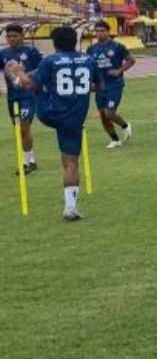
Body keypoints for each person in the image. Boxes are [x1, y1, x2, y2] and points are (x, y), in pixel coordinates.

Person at [5, 26, 102, 220]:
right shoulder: (89, 60)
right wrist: (79, 87)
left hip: (49, 112)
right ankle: (70, 207)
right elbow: (98, 85)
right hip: (74, 117)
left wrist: (18, 72)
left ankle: (16, 77)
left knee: (35, 84)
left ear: (55, 44)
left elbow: (30, 84)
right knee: (71, 163)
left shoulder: (51, 60)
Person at [86, 20, 135, 148]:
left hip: (115, 84)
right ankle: (115, 140)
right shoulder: (91, 49)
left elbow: (131, 61)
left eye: (102, 31)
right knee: (103, 115)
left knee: (109, 113)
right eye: (97, 31)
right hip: (99, 86)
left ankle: (125, 125)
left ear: (108, 32)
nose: (99, 33)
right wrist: (91, 82)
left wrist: (119, 71)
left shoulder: (117, 46)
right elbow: (89, 67)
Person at [1, 24, 42, 175]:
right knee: (19, 130)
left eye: (15, 35)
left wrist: (26, 75)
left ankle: (25, 163)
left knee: (24, 128)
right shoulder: (3, 53)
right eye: (9, 36)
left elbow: (41, 69)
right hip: (12, 97)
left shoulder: (31, 51)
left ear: (22, 36)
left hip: (28, 96)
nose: (11, 38)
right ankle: (31, 159)